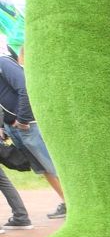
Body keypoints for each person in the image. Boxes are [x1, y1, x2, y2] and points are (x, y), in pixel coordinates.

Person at [0, 49, 63, 219]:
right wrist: (5, 126)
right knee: (42, 169)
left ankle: (81, 204)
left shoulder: (3, 62)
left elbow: (24, 87)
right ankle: (68, 202)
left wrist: (23, 119)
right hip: (15, 127)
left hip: (28, 124)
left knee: (53, 165)